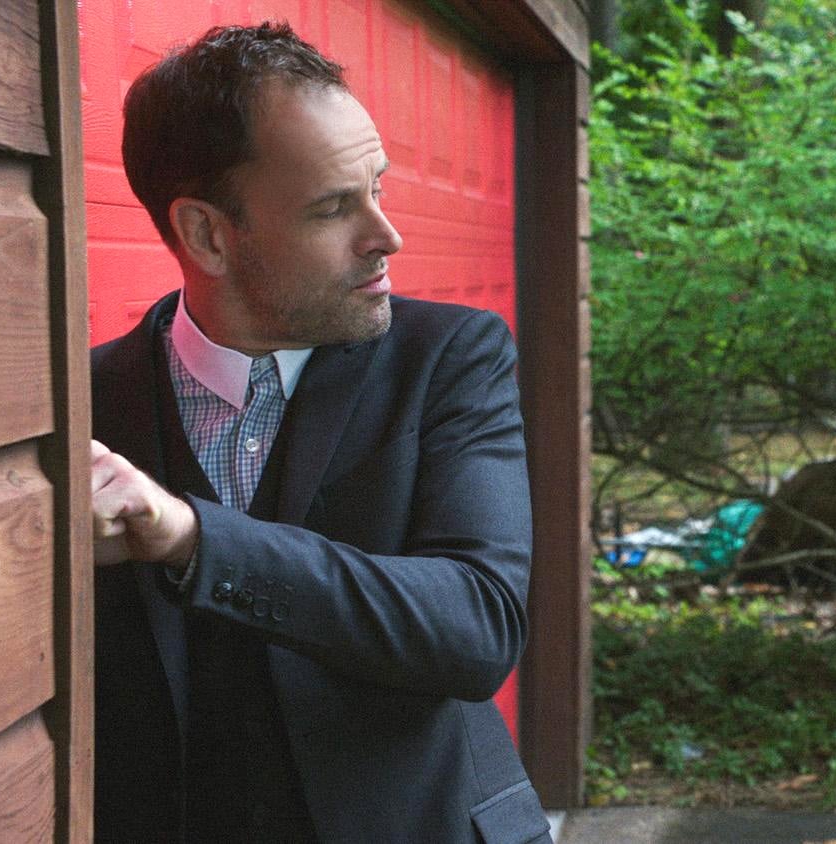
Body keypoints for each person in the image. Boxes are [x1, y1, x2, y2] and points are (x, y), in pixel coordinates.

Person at [88, 22, 551, 843]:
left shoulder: (448, 357)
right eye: (334, 207)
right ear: (206, 235)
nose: (385, 236)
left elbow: (478, 627)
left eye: (377, 187)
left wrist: (196, 540)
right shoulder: (86, 405)